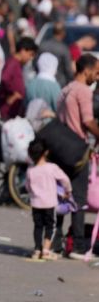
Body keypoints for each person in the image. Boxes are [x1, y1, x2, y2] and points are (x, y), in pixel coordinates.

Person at [57, 54, 99, 260]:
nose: (97, 76)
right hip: (77, 148)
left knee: (59, 196)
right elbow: (89, 121)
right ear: (87, 70)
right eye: (96, 72)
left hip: (61, 147)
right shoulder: (83, 91)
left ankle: (55, 241)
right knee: (79, 199)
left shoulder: (66, 89)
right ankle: (78, 246)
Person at [26, 139, 71, 261]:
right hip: (50, 203)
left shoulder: (30, 170)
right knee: (50, 226)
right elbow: (65, 179)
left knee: (38, 226)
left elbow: (27, 187)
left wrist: (32, 194)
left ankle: (37, 249)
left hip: (36, 203)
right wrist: (68, 191)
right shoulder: (52, 168)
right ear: (46, 152)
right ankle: (46, 250)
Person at [0, 37, 38, 120]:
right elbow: (5, 78)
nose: (30, 58)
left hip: (15, 109)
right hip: (9, 110)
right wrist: (13, 94)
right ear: (23, 50)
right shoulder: (13, 63)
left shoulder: (18, 64)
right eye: (30, 54)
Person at [38, 22, 74, 87]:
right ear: (63, 33)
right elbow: (68, 69)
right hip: (59, 83)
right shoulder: (64, 49)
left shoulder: (42, 46)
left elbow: (35, 63)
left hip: (42, 82)